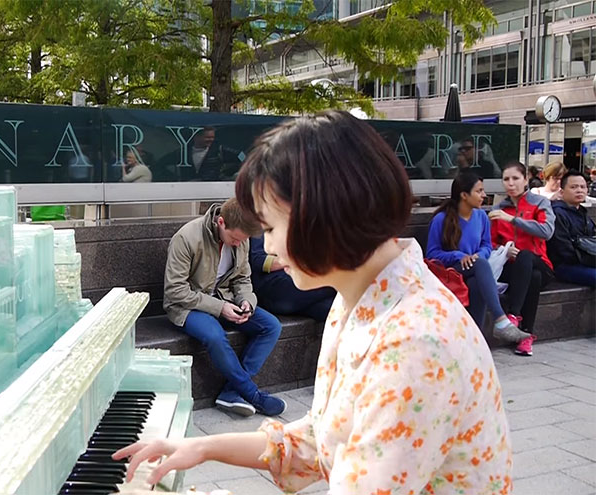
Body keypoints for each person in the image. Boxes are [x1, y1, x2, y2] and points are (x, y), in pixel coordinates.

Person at [117, 111, 512, 495]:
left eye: (270, 227)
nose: (267, 246)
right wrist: (201, 447)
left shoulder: (416, 344)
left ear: (323, 213)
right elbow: (320, 439)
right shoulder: (357, 298)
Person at [162, 197, 285, 417]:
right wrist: (220, 308)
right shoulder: (186, 237)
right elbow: (175, 291)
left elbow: (242, 279)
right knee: (215, 336)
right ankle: (251, 394)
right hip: (186, 306)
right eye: (235, 238)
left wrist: (246, 301)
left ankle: (230, 392)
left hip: (224, 299)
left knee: (271, 326)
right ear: (221, 222)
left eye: (242, 240)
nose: (238, 243)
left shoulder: (241, 239)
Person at [426, 171, 529, 342]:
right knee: (480, 265)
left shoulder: (481, 216)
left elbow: (486, 245)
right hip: (450, 271)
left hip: (474, 270)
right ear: (464, 195)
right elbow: (432, 254)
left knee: (476, 282)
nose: (484, 195)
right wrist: (459, 256)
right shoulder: (441, 219)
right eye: (479, 191)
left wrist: (477, 256)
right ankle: (501, 321)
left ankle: (476, 341)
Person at [489, 161, 555, 356]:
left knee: (527, 258)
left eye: (516, 178)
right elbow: (490, 242)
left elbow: (547, 231)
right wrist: (504, 250)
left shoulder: (540, 203)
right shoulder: (500, 209)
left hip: (541, 263)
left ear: (526, 179)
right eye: (506, 179)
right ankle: (525, 336)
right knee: (531, 276)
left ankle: (514, 315)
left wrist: (514, 220)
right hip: (512, 268)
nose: (511, 183)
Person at [249, 234, 335, 321]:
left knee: (332, 308)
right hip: (273, 286)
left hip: (303, 291)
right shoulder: (261, 222)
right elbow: (258, 260)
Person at [547, 171, 596, 287]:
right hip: (564, 266)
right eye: (573, 187)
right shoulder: (557, 213)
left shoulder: (583, 213)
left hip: (586, 261)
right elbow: (562, 249)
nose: (579, 190)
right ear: (562, 191)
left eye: (583, 187)